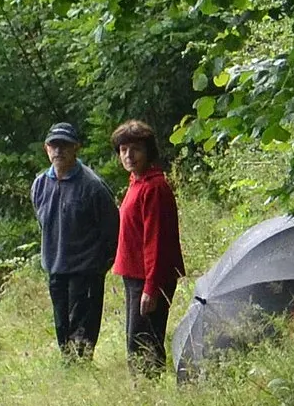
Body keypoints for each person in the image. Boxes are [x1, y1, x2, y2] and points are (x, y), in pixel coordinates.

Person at [30, 123, 119, 359]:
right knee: (61, 325)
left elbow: (111, 228)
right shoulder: (39, 184)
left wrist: (99, 266)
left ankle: (82, 368)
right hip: (55, 268)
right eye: (54, 145)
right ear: (46, 148)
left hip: (86, 270)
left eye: (65, 145)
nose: (59, 150)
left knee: (83, 329)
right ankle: (68, 366)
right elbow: (44, 222)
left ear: (76, 147)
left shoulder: (92, 186)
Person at [110, 120, 185, 375]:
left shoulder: (154, 187)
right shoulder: (137, 183)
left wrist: (151, 288)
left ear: (148, 151)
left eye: (135, 149)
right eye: (123, 150)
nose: (128, 156)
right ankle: (142, 392)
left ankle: (148, 395)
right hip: (135, 276)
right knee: (136, 339)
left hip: (149, 277)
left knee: (144, 341)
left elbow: (156, 241)